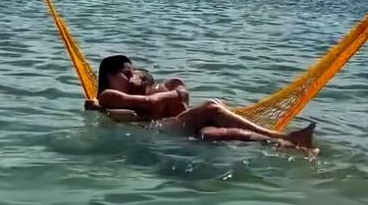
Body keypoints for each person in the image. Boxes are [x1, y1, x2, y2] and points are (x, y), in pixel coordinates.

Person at [85, 55, 316, 151]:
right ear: (109, 76)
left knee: (221, 133)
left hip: (173, 129)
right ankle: (282, 136)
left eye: (134, 73)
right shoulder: (107, 95)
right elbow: (149, 101)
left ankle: (286, 145)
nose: (132, 78)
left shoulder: (118, 97)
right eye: (126, 74)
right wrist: (174, 95)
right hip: (164, 130)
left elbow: (155, 98)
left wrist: (176, 91)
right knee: (212, 107)